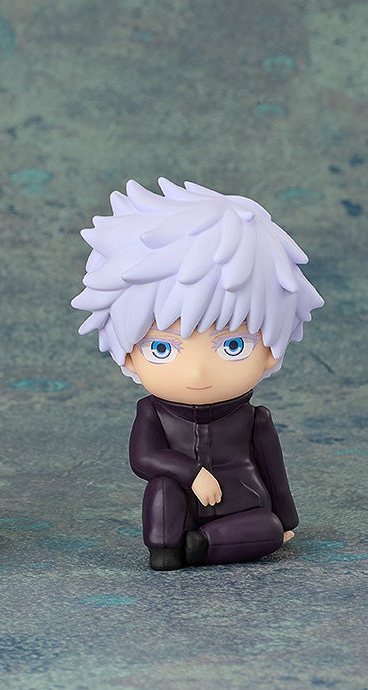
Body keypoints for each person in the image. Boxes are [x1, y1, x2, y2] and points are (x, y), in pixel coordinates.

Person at [72, 179, 323, 570]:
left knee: (270, 531)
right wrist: (191, 474)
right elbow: (143, 458)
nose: (198, 371)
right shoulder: (151, 413)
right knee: (162, 488)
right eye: (162, 348)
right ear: (128, 357)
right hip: (178, 501)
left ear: (271, 352)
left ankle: (201, 546)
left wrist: (286, 520)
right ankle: (166, 548)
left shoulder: (254, 418)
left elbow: (273, 471)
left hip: (242, 503)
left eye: (233, 346)